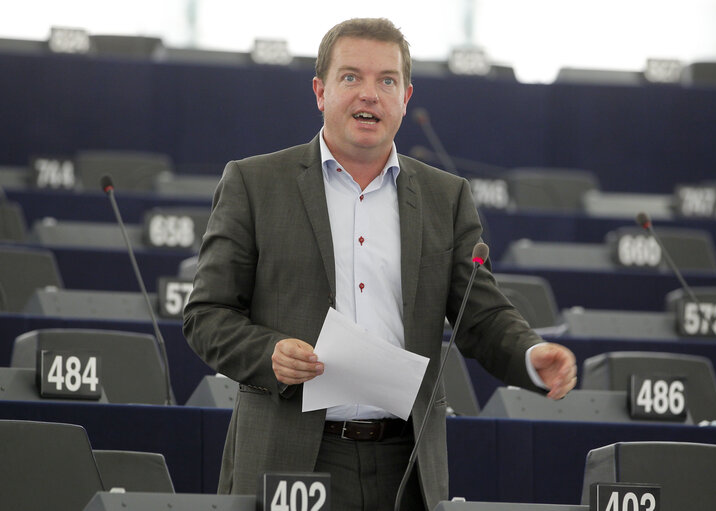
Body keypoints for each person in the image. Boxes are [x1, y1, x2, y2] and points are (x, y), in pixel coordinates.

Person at [183, 17, 577, 511]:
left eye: (386, 81)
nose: (369, 94)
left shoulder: (446, 198)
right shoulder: (254, 183)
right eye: (351, 77)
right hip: (290, 454)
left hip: (405, 463)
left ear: (405, 97)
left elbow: (482, 315)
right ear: (320, 91)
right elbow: (206, 315)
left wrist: (529, 355)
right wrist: (271, 353)